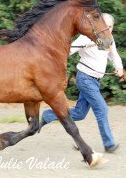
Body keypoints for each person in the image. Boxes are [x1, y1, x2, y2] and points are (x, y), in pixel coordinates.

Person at [40, 13, 124, 153]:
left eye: (110, 26)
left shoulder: (108, 40)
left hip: (95, 82)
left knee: (79, 113)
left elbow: (113, 55)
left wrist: (119, 67)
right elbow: (69, 50)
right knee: (102, 109)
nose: (108, 29)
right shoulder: (86, 37)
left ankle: (48, 115)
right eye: (105, 26)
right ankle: (109, 144)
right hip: (85, 79)